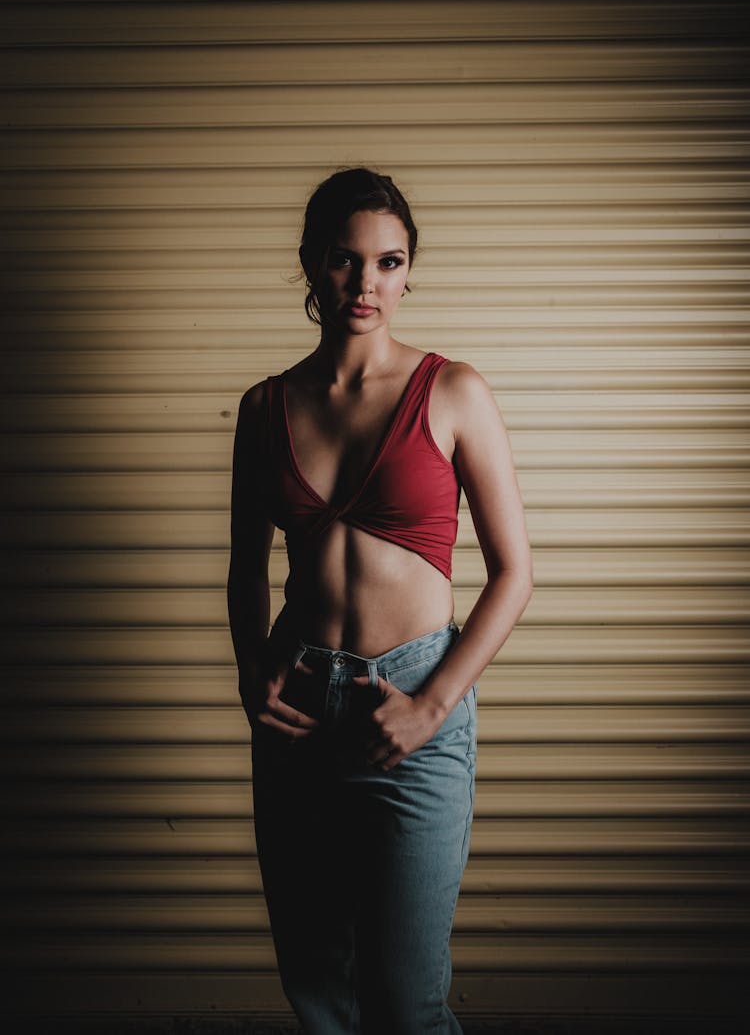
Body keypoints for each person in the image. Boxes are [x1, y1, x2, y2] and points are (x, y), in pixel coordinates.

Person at [227, 167, 532, 1034]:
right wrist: (255, 676)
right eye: (344, 260)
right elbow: (248, 567)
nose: (367, 284)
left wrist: (433, 705)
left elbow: (514, 572)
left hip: (410, 702)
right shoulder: (265, 407)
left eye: (388, 262)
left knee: (406, 999)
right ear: (312, 265)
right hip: (298, 706)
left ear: (408, 272)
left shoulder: (454, 390)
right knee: (320, 992)